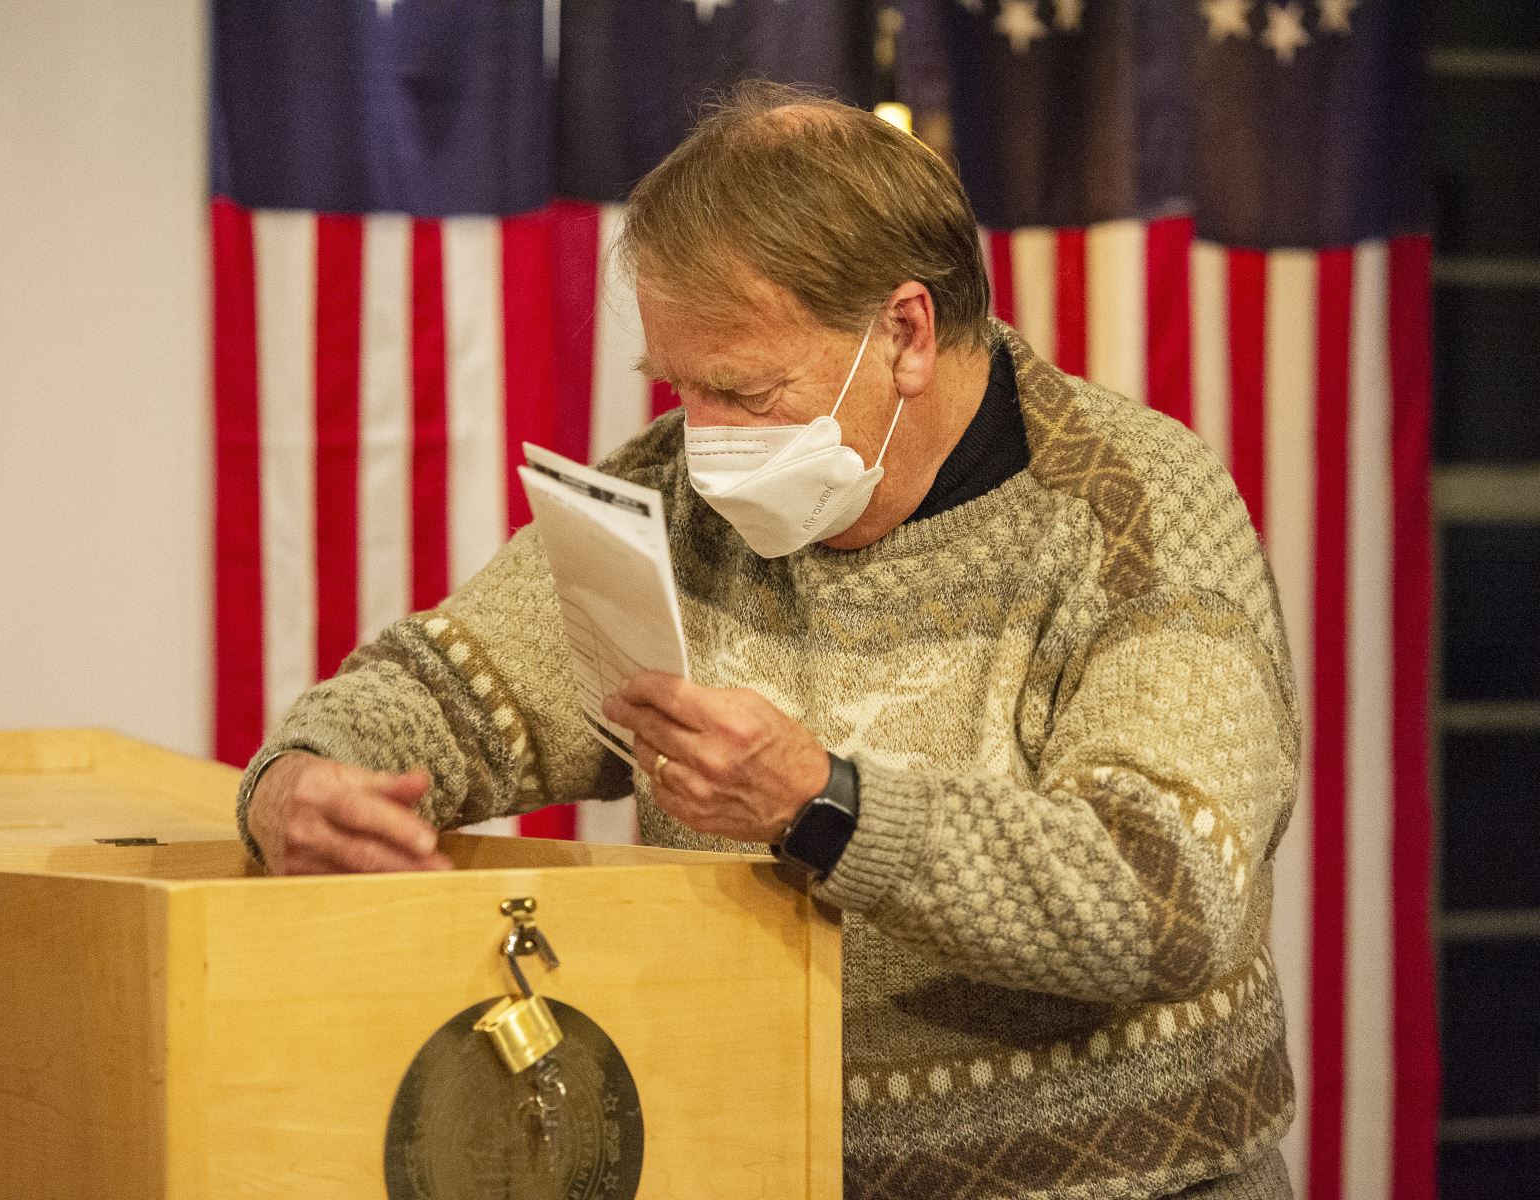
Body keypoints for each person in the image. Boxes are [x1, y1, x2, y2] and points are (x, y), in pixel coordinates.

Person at [237, 82, 1298, 1200]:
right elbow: (448, 689)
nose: (706, 442)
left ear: (904, 334)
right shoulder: (665, 497)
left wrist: (823, 803)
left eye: (745, 389)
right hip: (748, 1159)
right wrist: (299, 782)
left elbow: (1169, 898)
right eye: (680, 385)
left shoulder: (1141, 510)